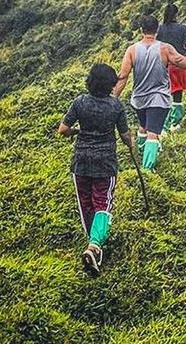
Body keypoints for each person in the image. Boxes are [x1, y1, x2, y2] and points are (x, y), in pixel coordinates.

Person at [58, 62, 133, 277]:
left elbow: (63, 130)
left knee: (86, 203)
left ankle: (93, 245)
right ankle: (94, 245)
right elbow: (125, 134)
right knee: (103, 203)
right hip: (105, 163)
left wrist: (77, 131)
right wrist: (131, 144)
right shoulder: (115, 106)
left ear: (90, 82)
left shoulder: (80, 102)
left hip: (81, 163)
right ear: (111, 84)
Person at [113, 13, 186, 171]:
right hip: (158, 99)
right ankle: (147, 169)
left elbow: (122, 77)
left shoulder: (131, 50)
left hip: (139, 99)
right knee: (153, 133)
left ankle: (139, 153)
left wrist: (112, 98)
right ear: (157, 30)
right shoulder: (165, 48)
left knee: (143, 127)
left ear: (141, 30)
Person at [157, 2, 186, 131]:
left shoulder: (160, 29)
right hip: (179, 65)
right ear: (176, 14)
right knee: (178, 95)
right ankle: (175, 123)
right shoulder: (182, 29)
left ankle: (163, 125)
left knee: (164, 94)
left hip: (164, 66)